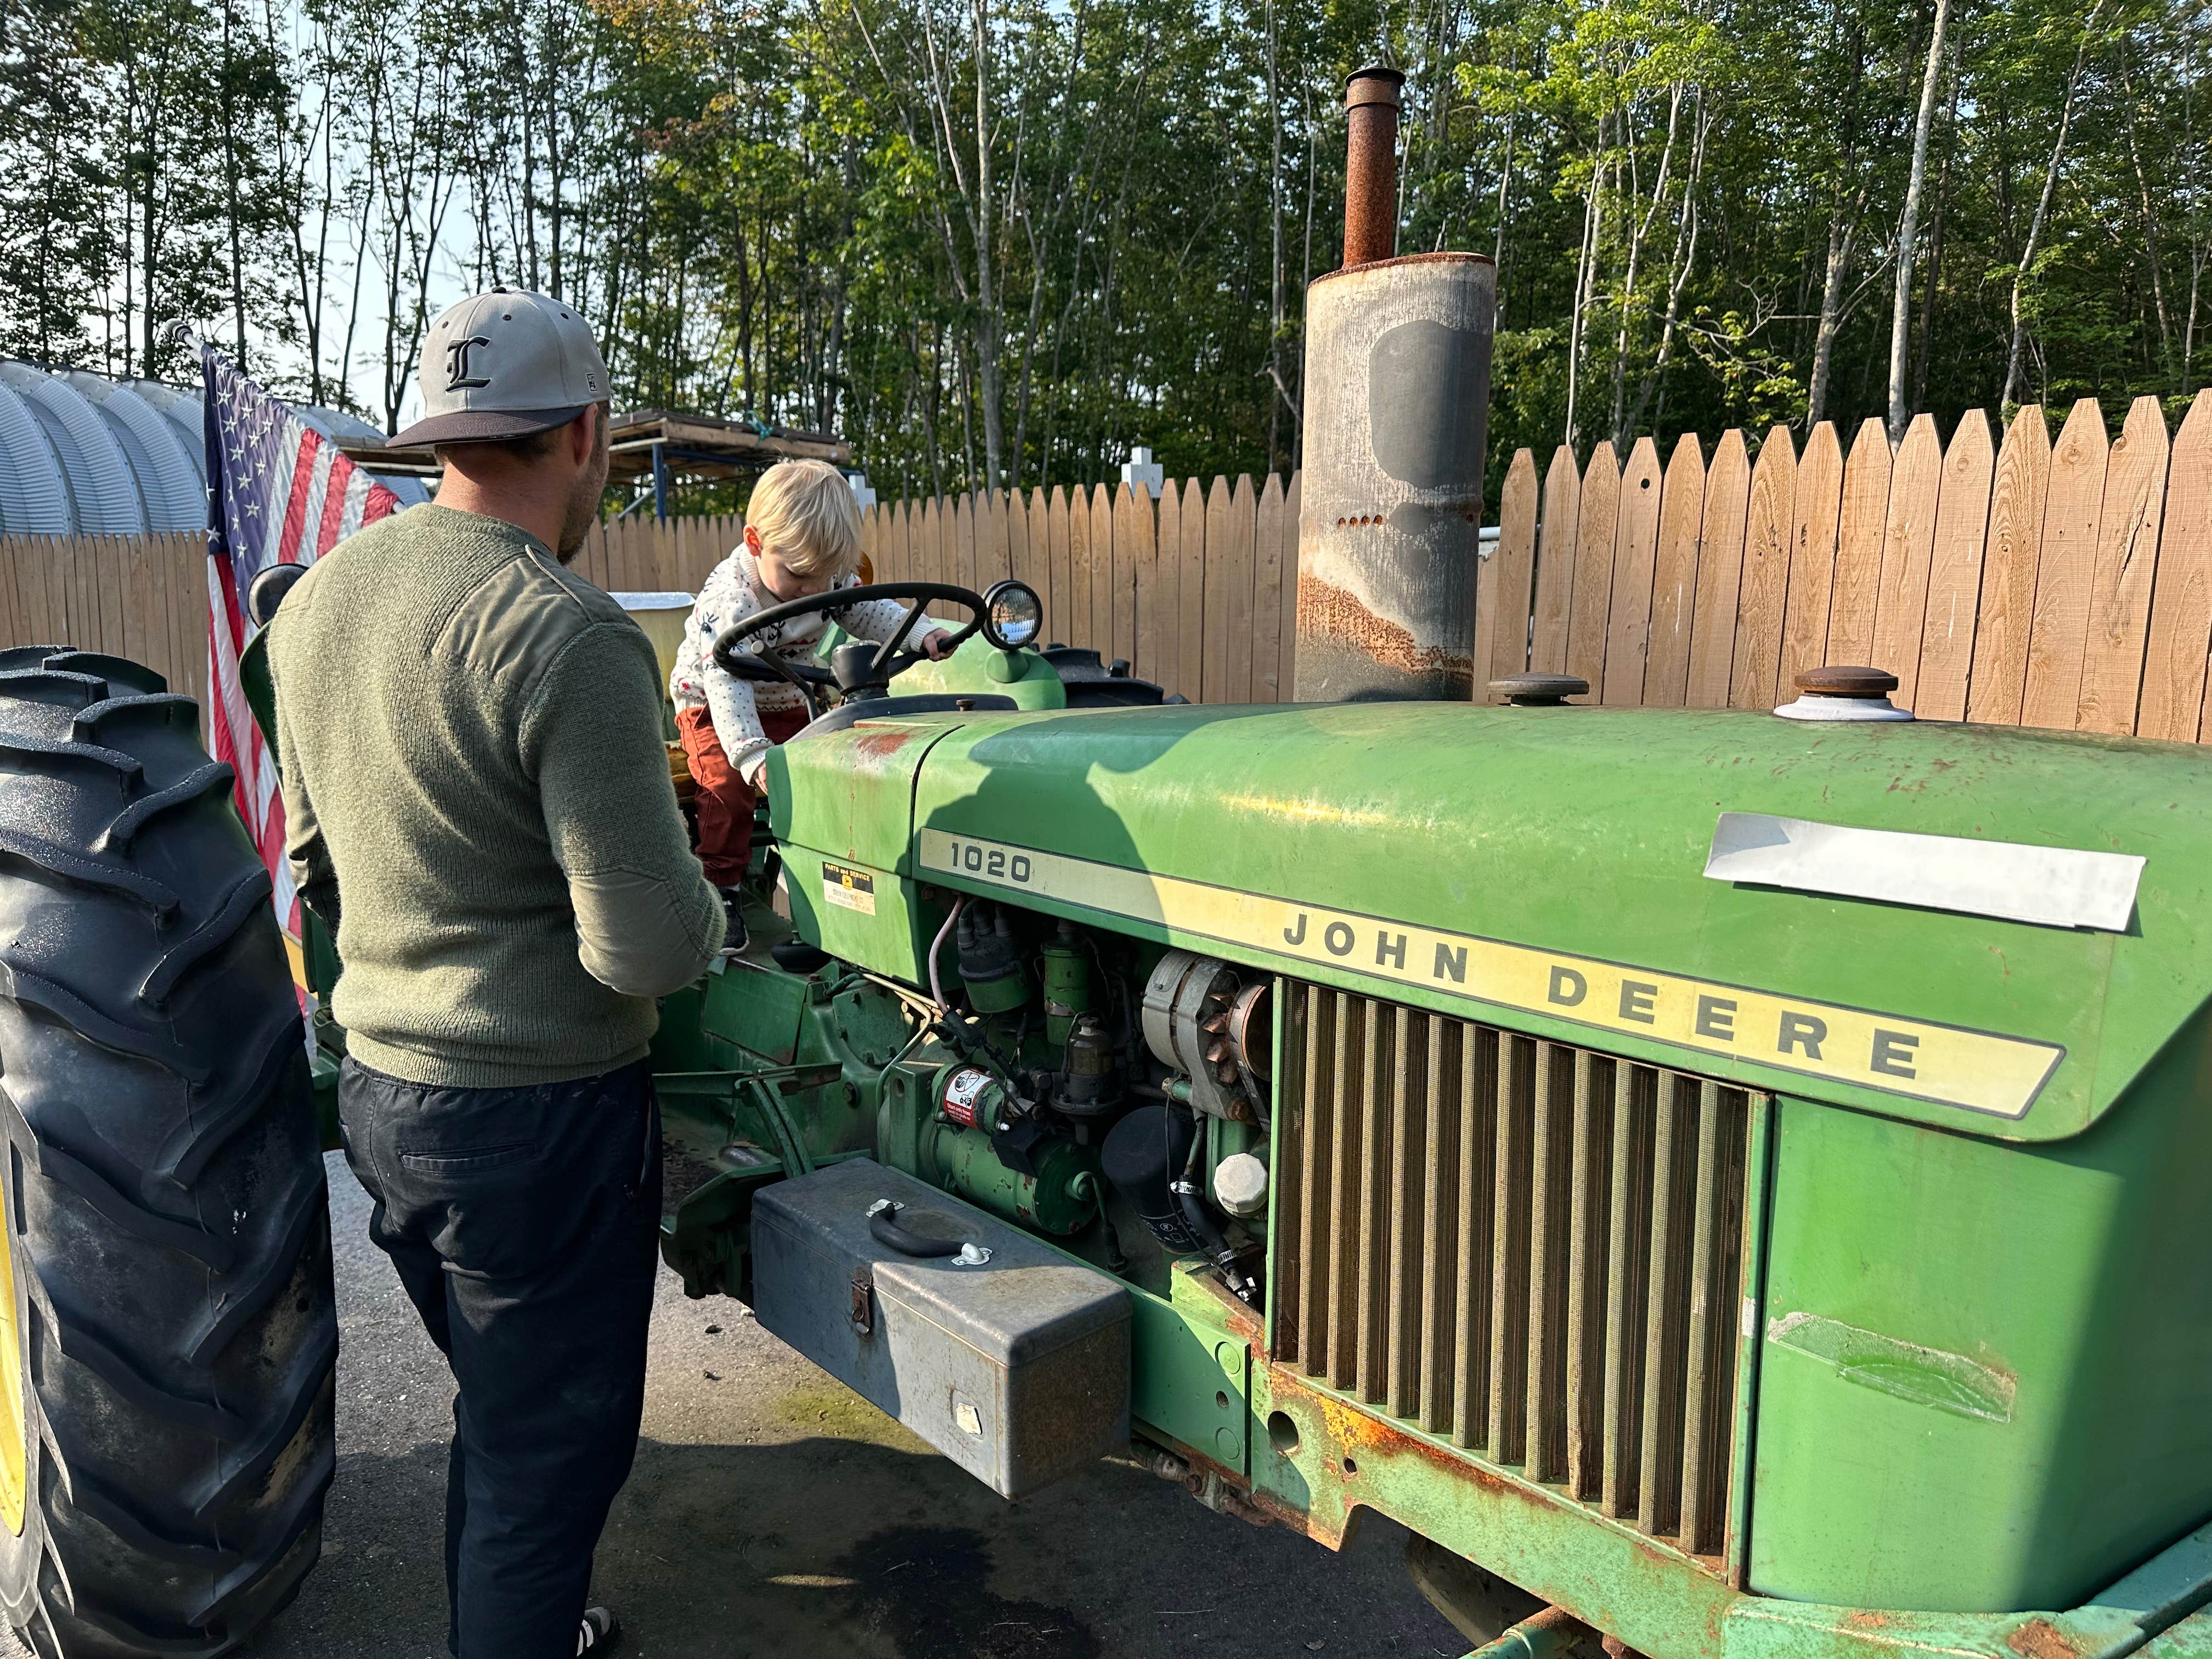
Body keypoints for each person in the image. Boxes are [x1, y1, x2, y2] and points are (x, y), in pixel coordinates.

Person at [267, 287, 722, 1659]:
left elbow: (315, 858)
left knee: (505, 1417)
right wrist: (721, 925)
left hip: (385, 1101)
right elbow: (639, 945)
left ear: (438, 439)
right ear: (586, 434)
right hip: (542, 1124)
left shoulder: (314, 602)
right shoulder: (569, 633)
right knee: (550, 1470)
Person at [668, 458, 952, 952]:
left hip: (791, 694)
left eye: (828, 576)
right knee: (728, 788)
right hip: (713, 706)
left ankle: (834, 890)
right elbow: (725, 683)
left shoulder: (824, 578)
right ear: (756, 543)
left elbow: (869, 612)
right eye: (801, 575)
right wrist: (752, 754)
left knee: (834, 774)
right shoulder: (731, 598)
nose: (816, 591)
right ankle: (720, 891)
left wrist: (923, 632)